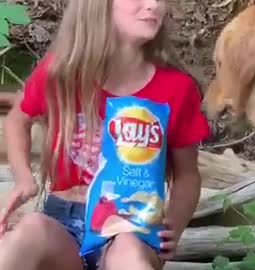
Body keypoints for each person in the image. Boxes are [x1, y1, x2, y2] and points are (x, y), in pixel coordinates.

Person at [0, 0, 210, 269]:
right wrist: (23, 178)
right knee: (30, 230)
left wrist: (174, 226)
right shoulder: (62, 72)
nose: (153, 5)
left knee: (129, 252)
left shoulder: (177, 88)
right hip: (63, 222)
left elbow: (187, 175)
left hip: (132, 226)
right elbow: (18, 119)